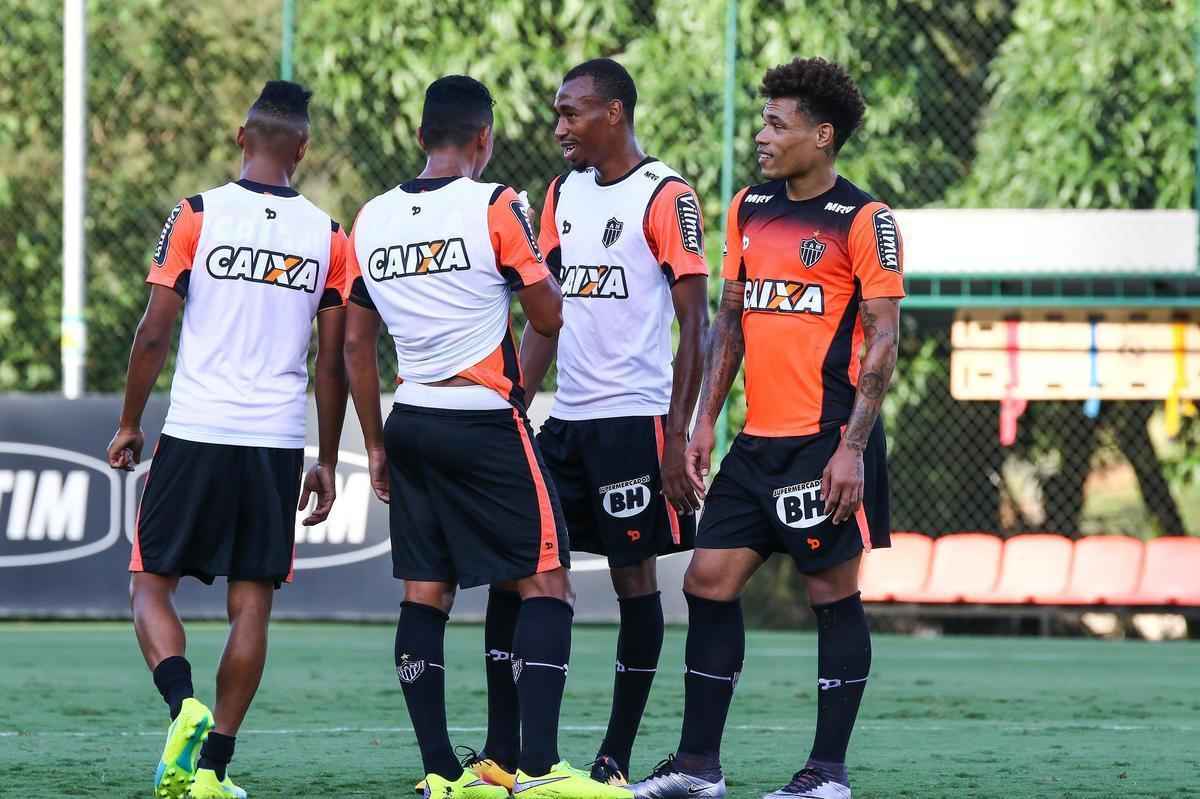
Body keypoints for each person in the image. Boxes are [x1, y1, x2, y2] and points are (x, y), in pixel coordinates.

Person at [343, 75, 632, 799]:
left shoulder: (371, 216)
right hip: (483, 419)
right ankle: (537, 769)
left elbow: (352, 346)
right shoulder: (498, 202)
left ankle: (443, 772)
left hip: (410, 417)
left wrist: (375, 442)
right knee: (546, 581)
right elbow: (549, 314)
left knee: (425, 594)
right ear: (484, 139)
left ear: (419, 137)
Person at [629, 58, 905, 799]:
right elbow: (729, 319)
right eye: (763, 121)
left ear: (822, 135)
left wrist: (851, 446)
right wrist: (702, 424)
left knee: (831, 593)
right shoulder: (750, 206)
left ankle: (826, 773)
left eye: (777, 125)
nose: (762, 135)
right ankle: (697, 766)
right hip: (756, 443)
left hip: (826, 441)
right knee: (707, 581)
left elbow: (885, 336)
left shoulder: (865, 220)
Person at [106, 80, 350, 799]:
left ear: (242, 138)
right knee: (253, 604)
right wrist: (328, 458)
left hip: (196, 428)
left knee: (149, 584)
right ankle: (212, 771)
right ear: (302, 149)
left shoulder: (196, 213)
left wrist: (128, 422)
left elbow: (155, 330)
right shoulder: (330, 236)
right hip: (274, 441)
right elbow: (332, 362)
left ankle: (183, 704)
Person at [502, 57, 708, 788]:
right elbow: (543, 317)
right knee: (521, 567)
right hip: (566, 421)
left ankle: (613, 756)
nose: (559, 127)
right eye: (557, 113)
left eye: (572, 113)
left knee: (634, 581)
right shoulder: (560, 194)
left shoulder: (666, 194)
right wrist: (514, 405)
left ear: (613, 113)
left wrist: (678, 434)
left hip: (633, 423)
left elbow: (697, 325)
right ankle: (520, 754)